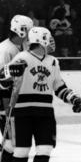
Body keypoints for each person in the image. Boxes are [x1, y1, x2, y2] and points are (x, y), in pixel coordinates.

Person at [3, 27, 81, 162]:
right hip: (23, 112)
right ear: (41, 40)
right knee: (21, 151)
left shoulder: (53, 61)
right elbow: (4, 79)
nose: (52, 41)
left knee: (45, 149)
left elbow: (59, 86)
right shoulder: (22, 57)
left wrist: (73, 98)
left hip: (45, 112)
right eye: (49, 37)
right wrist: (10, 71)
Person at [0, 15, 33, 162]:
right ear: (21, 31)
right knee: (12, 144)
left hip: (16, 101)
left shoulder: (22, 47)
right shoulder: (5, 49)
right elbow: (2, 81)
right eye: (29, 31)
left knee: (14, 143)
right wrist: (7, 108)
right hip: (4, 101)